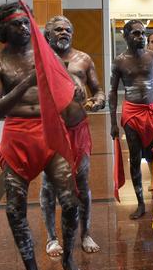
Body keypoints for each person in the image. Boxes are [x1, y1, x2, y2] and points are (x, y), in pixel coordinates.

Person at [0, 2, 86, 270]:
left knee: (70, 203)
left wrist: (74, 89)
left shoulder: (46, 53)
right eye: (17, 24)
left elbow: (65, 84)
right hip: (17, 137)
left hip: (50, 132)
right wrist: (25, 82)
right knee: (14, 210)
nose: (24, 28)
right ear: (4, 28)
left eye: (27, 23)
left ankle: (68, 258)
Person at [39, 15, 106, 257]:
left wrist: (96, 101)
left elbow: (98, 91)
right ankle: (51, 238)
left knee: (83, 183)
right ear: (48, 34)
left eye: (67, 29)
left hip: (78, 129)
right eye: (57, 29)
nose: (63, 33)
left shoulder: (83, 59)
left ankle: (85, 233)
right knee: (49, 186)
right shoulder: (39, 59)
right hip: (51, 130)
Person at [109, 19, 153, 219]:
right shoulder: (119, 61)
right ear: (125, 36)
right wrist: (113, 123)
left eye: (142, 33)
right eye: (136, 33)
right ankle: (140, 203)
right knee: (134, 158)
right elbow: (113, 92)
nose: (141, 37)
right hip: (131, 113)